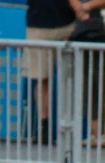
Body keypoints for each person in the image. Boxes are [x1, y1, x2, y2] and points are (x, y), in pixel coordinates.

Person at [25, 0, 88, 145]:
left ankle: (72, 126)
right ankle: (44, 127)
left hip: (69, 25)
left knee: (72, 78)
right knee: (41, 77)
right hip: (38, 26)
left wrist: (80, 9)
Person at [69, 0, 105, 149]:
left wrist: (87, 7)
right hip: (81, 34)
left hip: (104, 36)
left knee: (103, 85)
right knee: (87, 87)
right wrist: (78, 8)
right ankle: (95, 133)